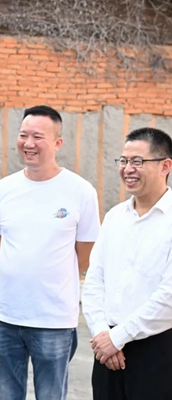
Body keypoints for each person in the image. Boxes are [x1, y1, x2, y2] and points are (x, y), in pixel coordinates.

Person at [0, 105, 100, 400]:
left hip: (54, 321)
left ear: (58, 143)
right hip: (5, 316)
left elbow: (85, 254)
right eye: (23, 135)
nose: (29, 143)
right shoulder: (2, 190)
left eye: (38, 137)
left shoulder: (80, 191)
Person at [82, 127, 172, 400]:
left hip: (157, 350)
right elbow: (94, 280)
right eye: (123, 161)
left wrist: (118, 337)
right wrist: (102, 333)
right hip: (106, 348)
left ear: (165, 166)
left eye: (137, 161)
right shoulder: (115, 216)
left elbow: (168, 296)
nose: (128, 169)